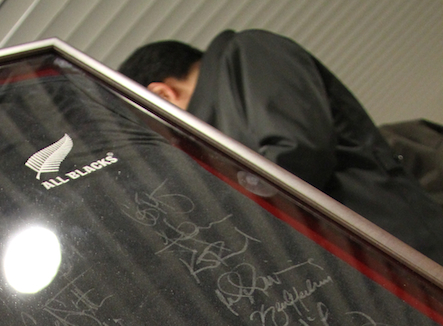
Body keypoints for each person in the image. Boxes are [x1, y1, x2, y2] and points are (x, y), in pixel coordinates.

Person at [119, 32, 443, 267]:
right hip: (380, 256)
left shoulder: (247, 52)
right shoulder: (222, 119)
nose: (168, 139)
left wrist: (227, 224)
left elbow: (297, 154)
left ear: (162, 95)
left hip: (401, 244)